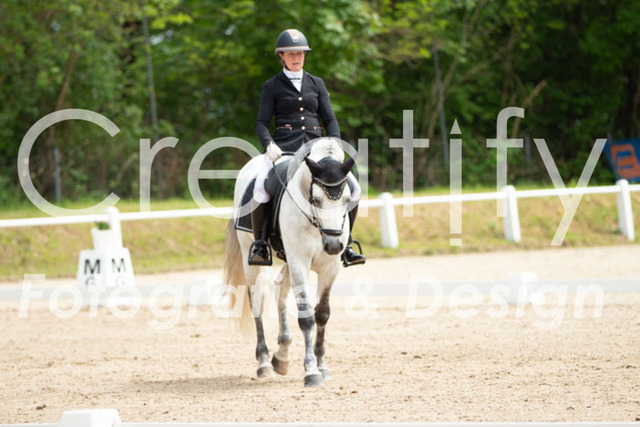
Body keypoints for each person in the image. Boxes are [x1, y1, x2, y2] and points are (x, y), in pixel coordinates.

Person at [248, 28, 366, 267]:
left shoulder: (317, 83)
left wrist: (335, 143)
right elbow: (261, 123)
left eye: (300, 53)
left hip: (317, 151)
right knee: (260, 187)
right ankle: (260, 244)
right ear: (281, 56)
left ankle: (348, 244)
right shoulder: (271, 86)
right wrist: (269, 144)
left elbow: (329, 119)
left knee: (354, 189)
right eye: (291, 54)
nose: (296, 57)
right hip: (284, 150)